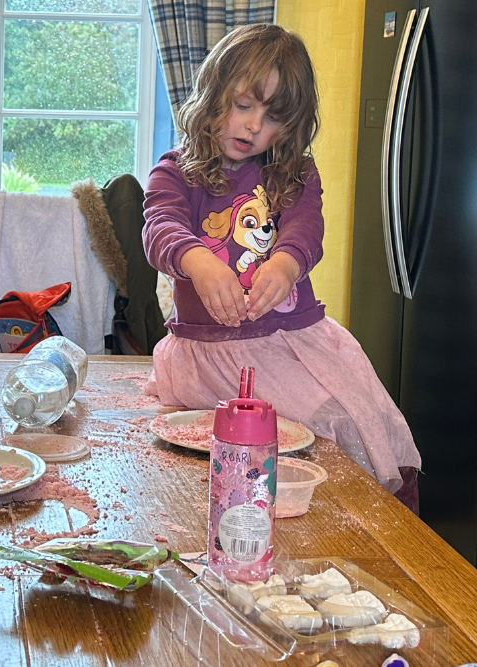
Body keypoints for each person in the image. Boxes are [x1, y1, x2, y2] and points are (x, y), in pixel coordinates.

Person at [142, 24, 421, 513]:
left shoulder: (292, 173)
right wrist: (199, 261)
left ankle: (398, 531)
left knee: (361, 419)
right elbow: (159, 227)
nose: (253, 126)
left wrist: (287, 264)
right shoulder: (174, 172)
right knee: (273, 448)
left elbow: (306, 230)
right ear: (211, 95)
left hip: (291, 342)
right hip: (208, 359)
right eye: (243, 105)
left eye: (272, 117)